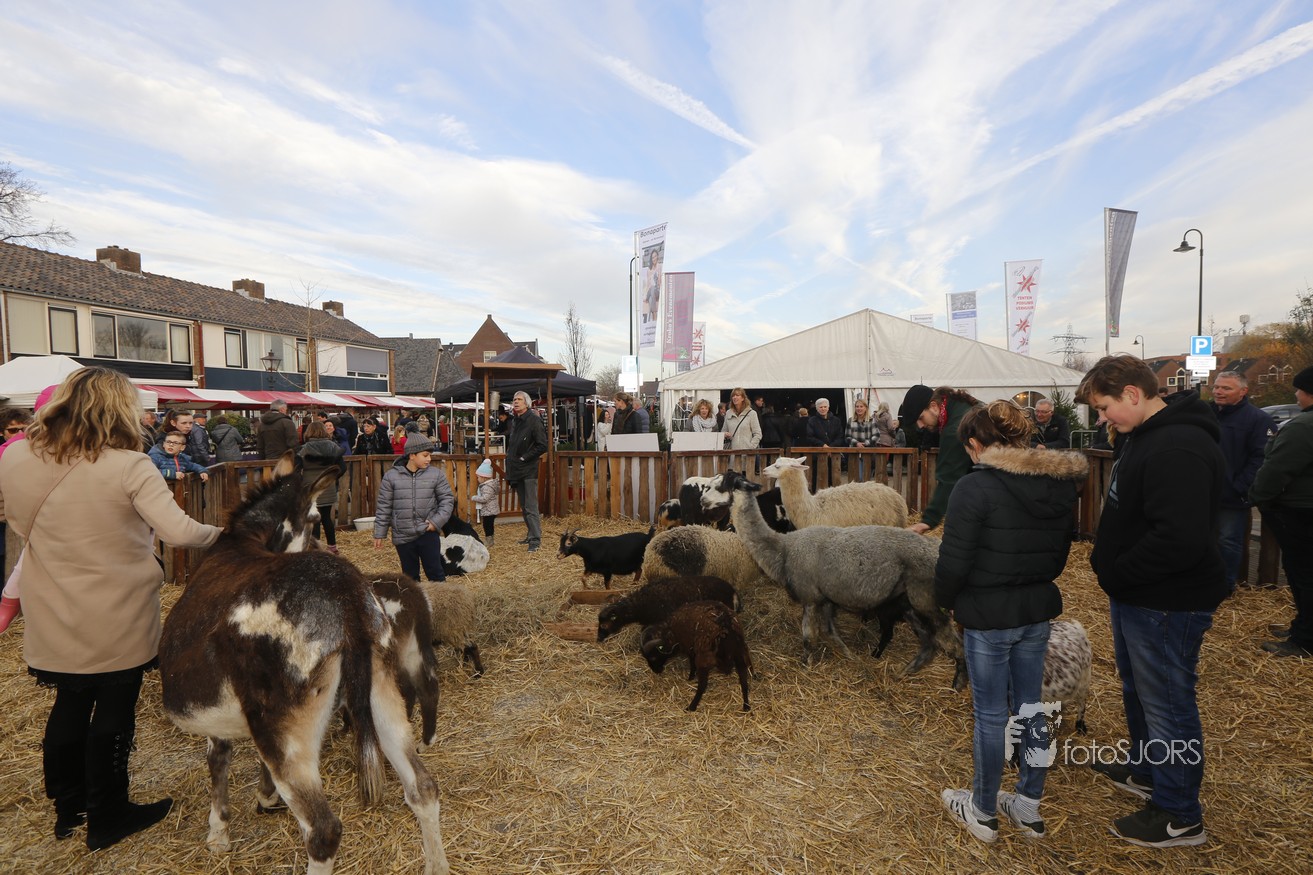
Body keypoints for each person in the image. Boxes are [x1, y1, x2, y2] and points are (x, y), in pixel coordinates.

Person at [0, 367, 221, 849]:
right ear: (119, 409)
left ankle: (68, 806)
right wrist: (225, 535)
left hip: (51, 600)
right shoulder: (129, 465)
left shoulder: (16, 456)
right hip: (116, 605)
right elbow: (180, 532)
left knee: (69, 701)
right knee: (115, 707)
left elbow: (17, 522)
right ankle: (108, 812)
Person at [1077, 354, 1226, 848]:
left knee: (1168, 704)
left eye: (1104, 407)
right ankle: (1147, 771)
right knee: (1140, 691)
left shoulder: (1178, 447)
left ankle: (1179, 814)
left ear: (1133, 394)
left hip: (1165, 599)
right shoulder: (1145, 435)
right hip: (1140, 595)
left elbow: (1180, 538)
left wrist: (1120, 572)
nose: (1102, 418)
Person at [935, 400, 1088, 843]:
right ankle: (1027, 804)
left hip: (988, 615)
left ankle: (982, 811)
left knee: (989, 714)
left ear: (976, 443)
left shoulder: (974, 487)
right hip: (1035, 611)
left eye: (968, 447)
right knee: (1033, 707)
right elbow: (1060, 553)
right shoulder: (1056, 484)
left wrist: (947, 601)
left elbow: (954, 560)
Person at [1249, 365, 1313, 657]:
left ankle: (1305, 639)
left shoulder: (1302, 427)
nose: (1296, 395)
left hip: (1299, 510)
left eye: (1299, 389)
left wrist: (1256, 497)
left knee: (1303, 574)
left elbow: (1276, 469)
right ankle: (1303, 626)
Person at [1209, 372, 1276, 590]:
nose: (1219, 392)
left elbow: (1262, 458)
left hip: (1231, 495)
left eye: (1226, 388)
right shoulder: (1206, 414)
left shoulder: (1258, 419)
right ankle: (1203, 583)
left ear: (1243, 391)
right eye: (1216, 387)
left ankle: (1226, 586)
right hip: (1202, 492)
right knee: (1201, 539)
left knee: (1228, 541)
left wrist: (1239, 487)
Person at [899, 385, 982, 533]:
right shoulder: (963, 406)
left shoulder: (955, 429)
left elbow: (949, 479)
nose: (920, 425)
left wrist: (928, 521)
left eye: (921, 418)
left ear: (933, 406)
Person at [372, 433, 454, 581]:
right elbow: (384, 506)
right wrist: (379, 533)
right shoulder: (391, 477)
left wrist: (435, 522)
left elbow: (447, 500)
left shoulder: (436, 475)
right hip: (403, 534)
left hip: (428, 532)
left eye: (430, 455)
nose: (429, 459)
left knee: (435, 573)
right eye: (425, 455)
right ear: (412, 455)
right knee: (409, 577)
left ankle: (440, 596)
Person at [0, 404, 38, 634]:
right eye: (13, 430)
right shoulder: (7, 452)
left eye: (23, 429)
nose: (19, 434)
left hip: (20, 522)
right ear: (2, 432)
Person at [505, 391, 548, 552]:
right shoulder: (515, 421)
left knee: (531, 506)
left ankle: (535, 540)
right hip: (516, 469)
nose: (516, 402)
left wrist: (525, 458)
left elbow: (542, 445)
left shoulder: (534, 420)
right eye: (514, 399)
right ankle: (531, 535)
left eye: (519, 399)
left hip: (528, 470)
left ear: (527, 403)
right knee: (524, 506)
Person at [298, 421, 345, 555]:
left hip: (311, 487)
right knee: (326, 517)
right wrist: (332, 478)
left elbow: (296, 468)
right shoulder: (333, 447)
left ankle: (316, 549)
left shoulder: (304, 449)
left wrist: (302, 481)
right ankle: (332, 547)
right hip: (327, 486)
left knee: (314, 519)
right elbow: (343, 468)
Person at [471, 458, 501, 548]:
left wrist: (475, 498)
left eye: (478, 477)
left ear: (483, 477)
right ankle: (490, 539)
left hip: (489, 511)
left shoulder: (487, 487)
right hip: (491, 510)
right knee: (489, 525)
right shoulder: (489, 485)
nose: (477, 479)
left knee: (487, 526)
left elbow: (485, 499)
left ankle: (489, 541)